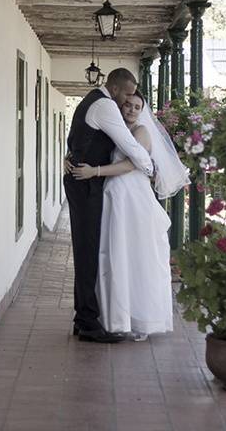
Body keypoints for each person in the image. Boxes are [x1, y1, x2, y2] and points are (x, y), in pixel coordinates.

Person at [69, 91, 190, 341]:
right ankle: (112, 315)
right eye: (128, 104)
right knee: (112, 255)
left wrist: (95, 171)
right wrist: (71, 159)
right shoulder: (117, 129)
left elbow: (134, 164)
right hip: (114, 195)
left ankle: (136, 316)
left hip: (131, 196)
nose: (132, 109)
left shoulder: (142, 132)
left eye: (137, 106)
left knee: (132, 254)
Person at [63, 69, 154, 343]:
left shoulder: (94, 101)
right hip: (85, 184)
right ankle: (88, 323)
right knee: (88, 251)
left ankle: (84, 318)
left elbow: (78, 140)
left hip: (84, 181)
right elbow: (129, 145)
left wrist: (71, 157)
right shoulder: (104, 105)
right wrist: (149, 166)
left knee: (87, 249)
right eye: (127, 94)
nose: (129, 101)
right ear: (114, 89)